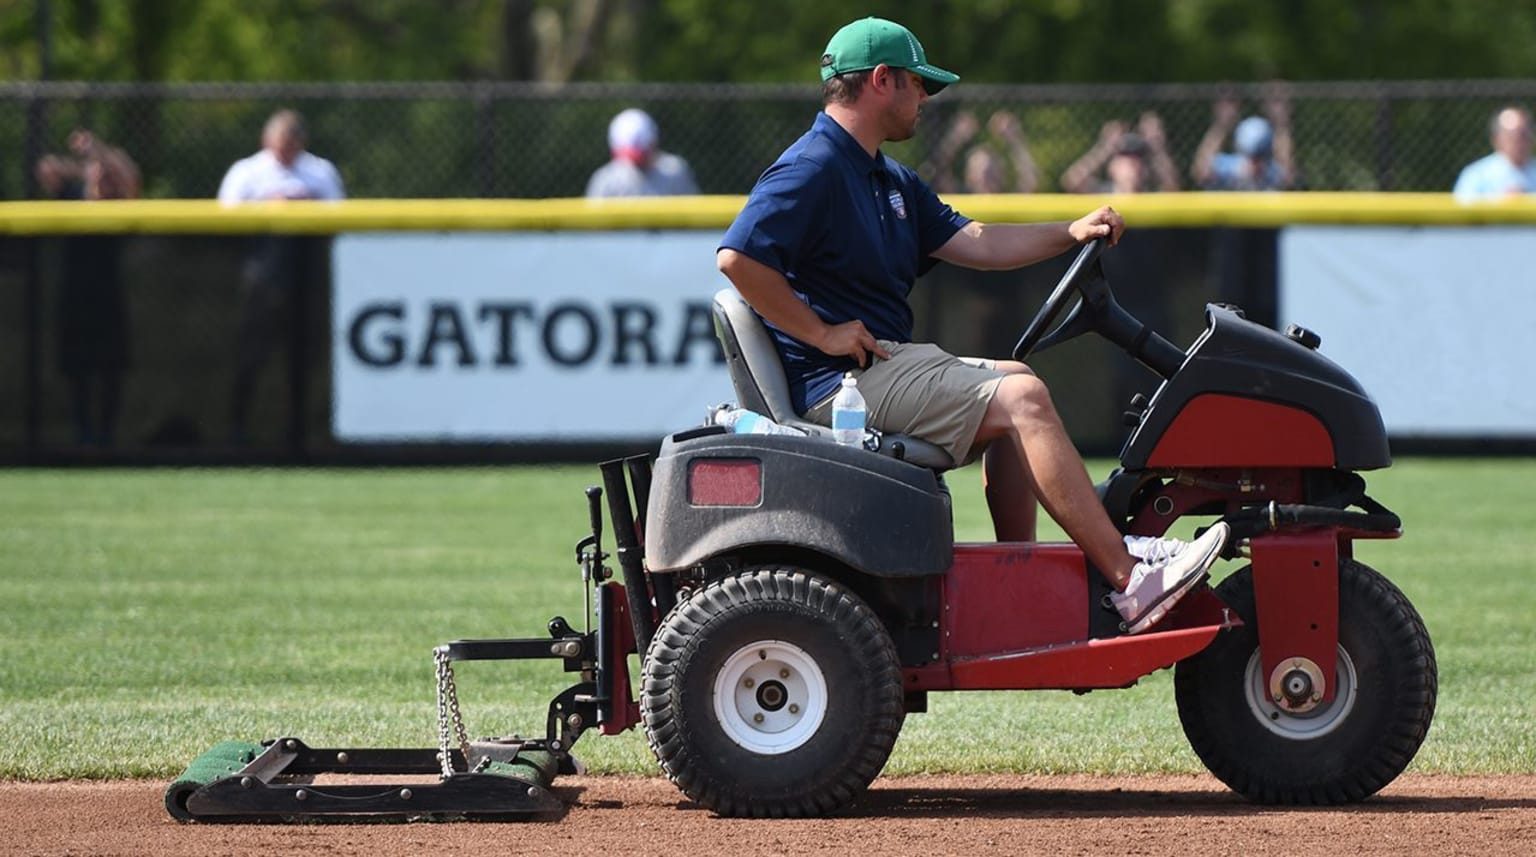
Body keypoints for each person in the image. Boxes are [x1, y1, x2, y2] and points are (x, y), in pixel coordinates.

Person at [715, 16, 1229, 635]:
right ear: (883, 81)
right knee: (1024, 398)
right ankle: (1130, 579)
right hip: (841, 388)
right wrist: (822, 334)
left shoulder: (884, 175)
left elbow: (977, 241)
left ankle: (1023, 586)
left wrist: (1068, 233)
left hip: (883, 365)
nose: (926, 100)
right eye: (918, 85)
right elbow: (738, 258)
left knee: (1017, 380)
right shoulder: (814, 167)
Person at [217, 109, 345, 445]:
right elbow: (222, 216)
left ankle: (299, 436)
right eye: (280, 145)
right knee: (251, 355)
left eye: (293, 145)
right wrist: (268, 206)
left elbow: (340, 215)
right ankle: (237, 431)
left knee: (302, 357)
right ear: (266, 140)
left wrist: (305, 206)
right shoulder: (247, 171)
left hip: (307, 273)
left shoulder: (319, 171)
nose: (286, 152)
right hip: (261, 272)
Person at [39, 130, 141, 447]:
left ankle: (107, 435)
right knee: (77, 368)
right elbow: (46, 168)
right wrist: (86, 168)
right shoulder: (72, 195)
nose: (102, 177)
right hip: (75, 294)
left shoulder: (117, 203)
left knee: (112, 369)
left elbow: (131, 176)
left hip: (108, 295)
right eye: (98, 173)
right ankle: (83, 434)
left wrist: (99, 150)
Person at [1191, 91, 1295, 191]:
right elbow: (1201, 172)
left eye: (1259, 156)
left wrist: (1281, 124)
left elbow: (1287, 177)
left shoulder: (1270, 170)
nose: (1255, 164)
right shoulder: (1231, 166)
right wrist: (1221, 126)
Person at [585, 108, 700, 198]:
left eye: (641, 153)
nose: (636, 160)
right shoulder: (606, 180)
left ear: (653, 144)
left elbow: (694, 219)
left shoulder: (674, 172)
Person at [1060, 112, 1181, 194]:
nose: (1133, 162)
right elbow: (1072, 180)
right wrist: (1105, 148)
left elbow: (1173, 187)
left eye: (1139, 156)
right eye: (1125, 156)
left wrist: (1157, 147)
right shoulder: (1102, 193)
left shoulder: (1149, 196)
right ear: (1112, 167)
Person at [925, 109, 1040, 194]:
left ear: (1003, 174)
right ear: (968, 176)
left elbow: (1031, 179)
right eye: (981, 172)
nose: (987, 178)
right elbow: (938, 170)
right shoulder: (958, 200)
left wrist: (1015, 140)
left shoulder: (1010, 201)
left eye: (992, 172)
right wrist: (956, 138)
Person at [1452, 106, 1536, 202]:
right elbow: (1462, 210)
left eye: (1523, 134)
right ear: (1496, 140)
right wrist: (1501, 203)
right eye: (1511, 136)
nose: (1518, 141)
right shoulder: (1476, 174)